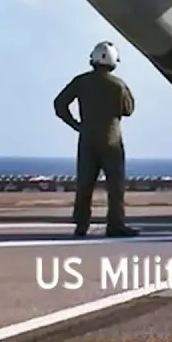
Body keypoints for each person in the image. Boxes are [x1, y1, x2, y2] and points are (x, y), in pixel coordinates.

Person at [54, 41, 138, 237]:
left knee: (84, 185)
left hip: (87, 139)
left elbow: (59, 104)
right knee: (115, 187)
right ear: (114, 62)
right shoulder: (118, 85)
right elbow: (129, 110)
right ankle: (115, 225)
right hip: (112, 142)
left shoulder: (81, 81)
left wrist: (76, 124)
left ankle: (81, 224)